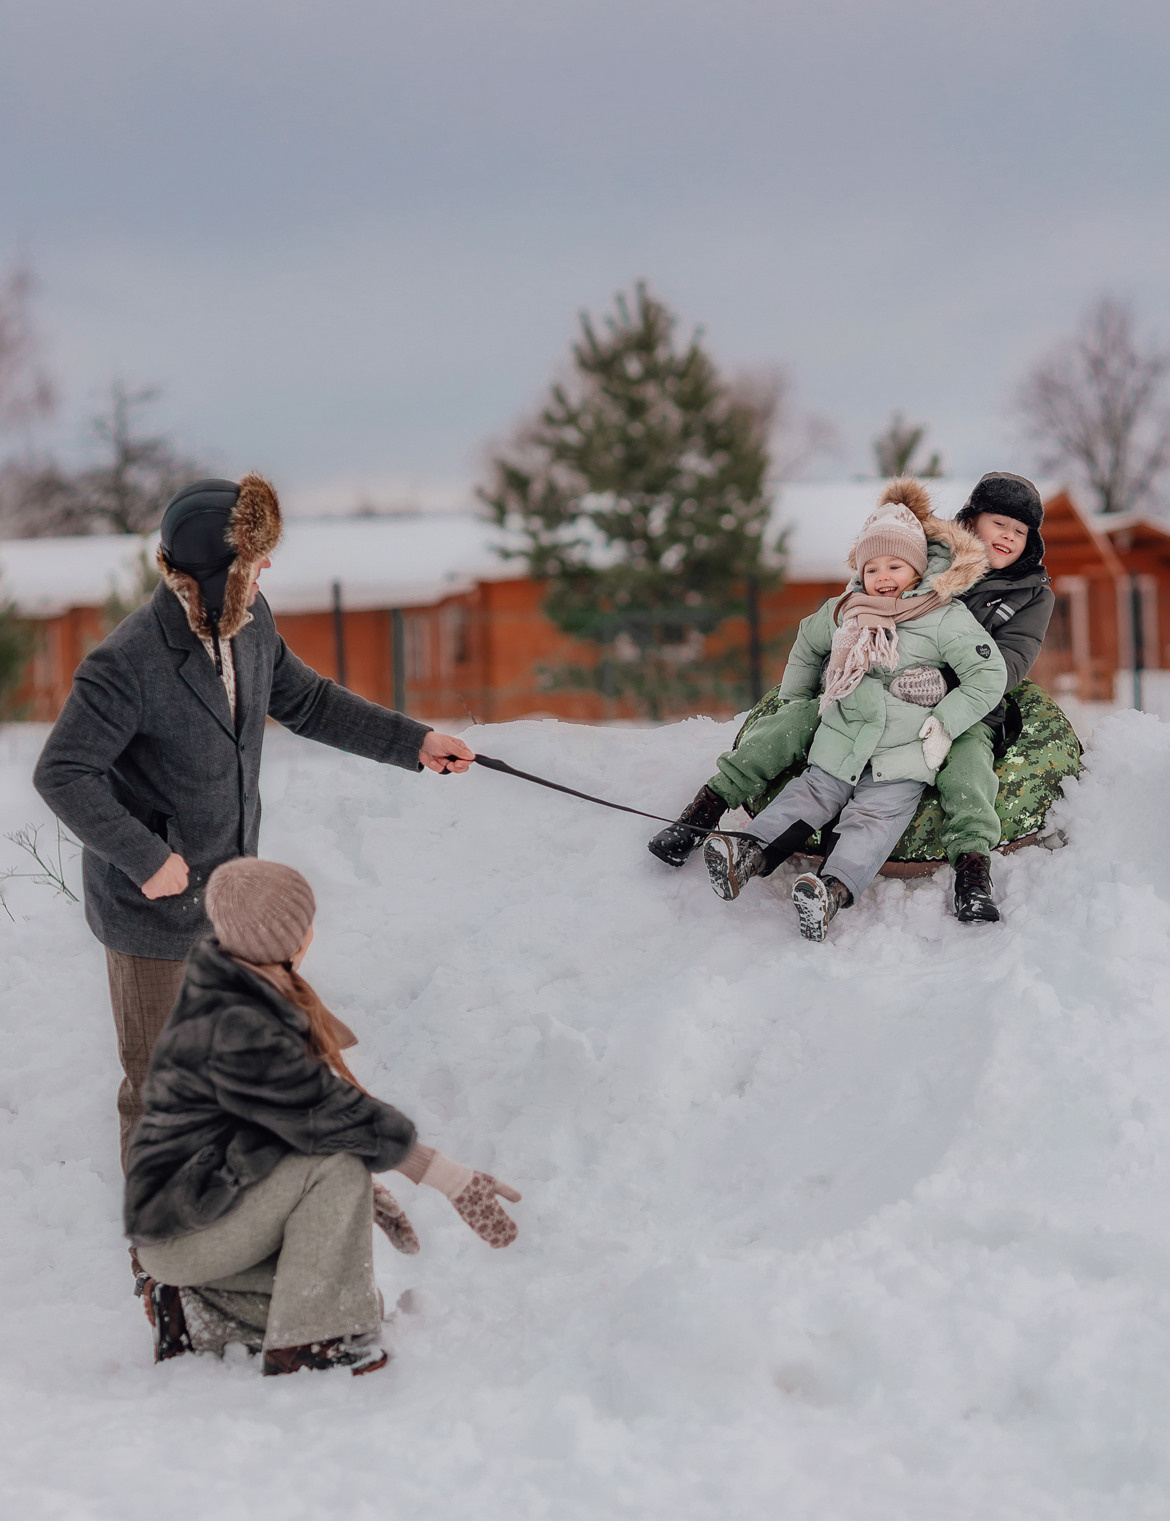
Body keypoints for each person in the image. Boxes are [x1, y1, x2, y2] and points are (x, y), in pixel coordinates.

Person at [33, 475, 475, 1165]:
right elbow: (62, 771)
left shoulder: (249, 625)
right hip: (154, 913)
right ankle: (160, 1260)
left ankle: (231, 1220)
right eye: (253, 561)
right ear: (215, 575)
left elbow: (310, 703)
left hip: (231, 900)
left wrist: (412, 742)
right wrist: (145, 857)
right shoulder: (128, 663)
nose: (266, 570)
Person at [127, 857, 521, 1376]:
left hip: (190, 1219)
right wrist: (447, 1176)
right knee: (338, 1178)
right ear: (291, 939)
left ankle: (191, 1307)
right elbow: (332, 1117)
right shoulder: (239, 1023)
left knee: (347, 1295)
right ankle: (315, 1346)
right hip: (185, 1231)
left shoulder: (229, 989)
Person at [649, 472, 1053, 922]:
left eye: (1020, 531)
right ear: (972, 520)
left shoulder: (1029, 595)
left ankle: (972, 870)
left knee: (966, 763)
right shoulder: (920, 558)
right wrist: (835, 669)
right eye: (1000, 523)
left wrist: (941, 684)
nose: (1008, 537)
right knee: (796, 732)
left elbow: (1005, 664)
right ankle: (708, 812)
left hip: (960, 706)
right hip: (863, 692)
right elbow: (853, 608)